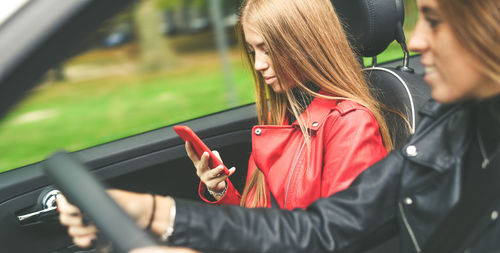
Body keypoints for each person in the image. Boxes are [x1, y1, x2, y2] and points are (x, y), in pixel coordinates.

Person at [58, 0, 500, 252]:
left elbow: (330, 237)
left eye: (435, 20)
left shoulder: (349, 123)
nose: (417, 40)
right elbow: (313, 226)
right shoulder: (449, 123)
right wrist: (163, 212)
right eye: (252, 51)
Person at [184, 0, 389, 210]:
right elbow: (258, 221)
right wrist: (219, 190)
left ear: (306, 44)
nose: (258, 65)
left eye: (268, 51)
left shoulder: (350, 124)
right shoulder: (279, 116)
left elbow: (340, 233)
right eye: (253, 52)